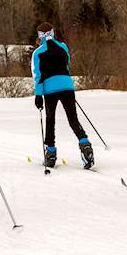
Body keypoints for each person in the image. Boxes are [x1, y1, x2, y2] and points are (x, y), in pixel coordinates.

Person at [31, 22, 92, 169]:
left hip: (50, 89)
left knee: (50, 120)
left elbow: (37, 76)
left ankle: (50, 153)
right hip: (67, 86)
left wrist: (38, 95)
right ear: (53, 33)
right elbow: (66, 64)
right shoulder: (63, 47)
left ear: (39, 37)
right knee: (73, 119)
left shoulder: (37, 53)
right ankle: (85, 145)